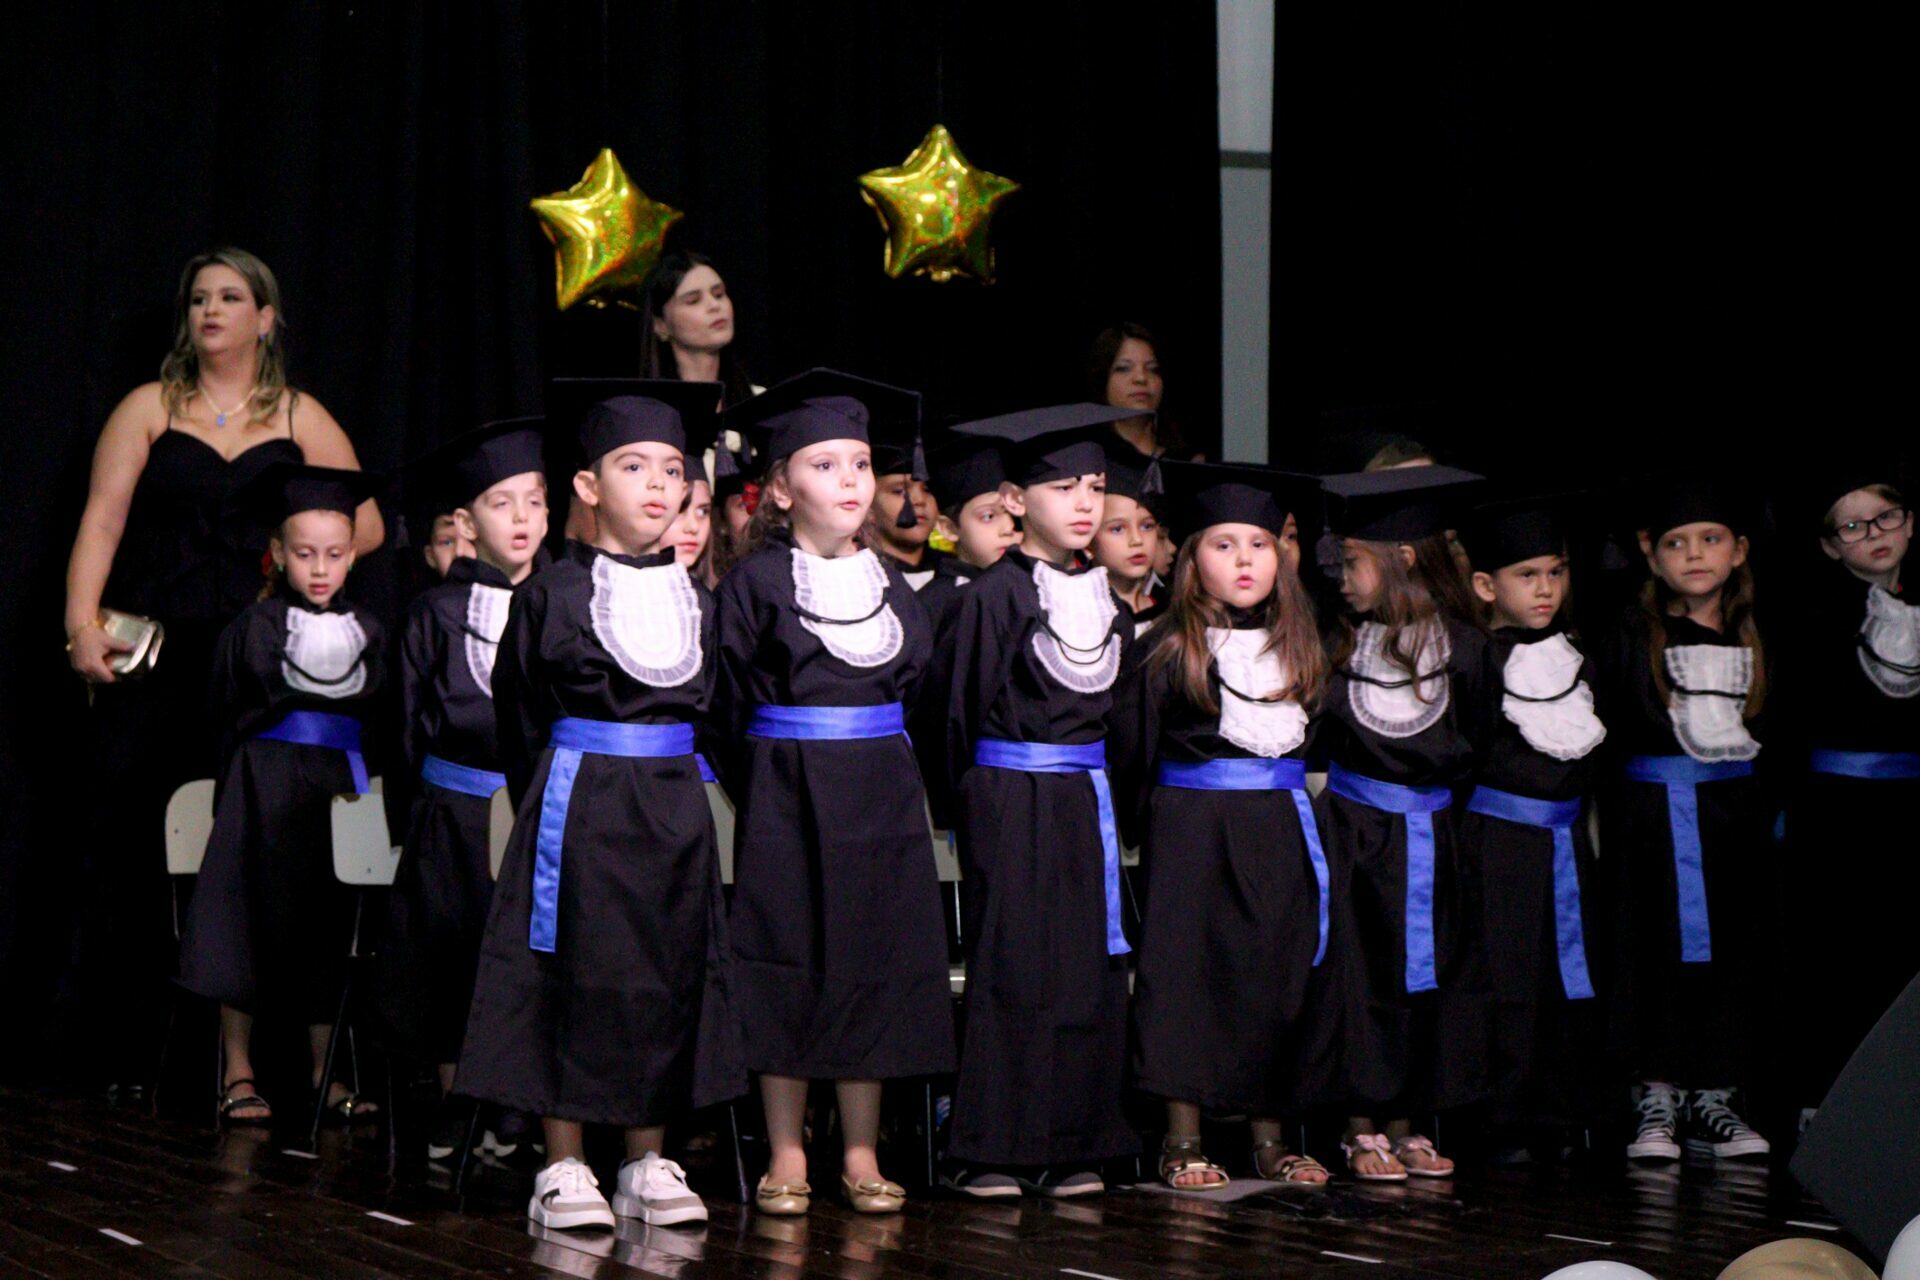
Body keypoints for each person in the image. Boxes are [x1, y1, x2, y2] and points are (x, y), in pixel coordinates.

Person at [62, 247, 380, 1096]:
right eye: (199, 298)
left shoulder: (299, 414)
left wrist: (293, 563)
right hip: (159, 657)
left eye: (230, 297)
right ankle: (133, 1054)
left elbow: (369, 524)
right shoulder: (149, 406)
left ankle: (258, 1065)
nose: (210, 310)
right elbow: (102, 520)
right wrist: (80, 626)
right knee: (136, 837)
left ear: (264, 319)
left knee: (254, 848)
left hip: (257, 666)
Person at [456, 381, 743, 1230]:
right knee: (572, 972)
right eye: (632, 466)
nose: (658, 484)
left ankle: (646, 1160)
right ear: (587, 485)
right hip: (579, 802)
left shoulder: (700, 600)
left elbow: (718, 712)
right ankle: (565, 1164)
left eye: (672, 468)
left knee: (661, 974)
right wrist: (552, 798)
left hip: (673, 808)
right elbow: (519, 712)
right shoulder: (551, 594)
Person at [712, 369, 955, 1216]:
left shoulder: (891, 585)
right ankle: (787, 1149)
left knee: (872, 961)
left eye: (860, 464)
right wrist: (773, 778)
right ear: (781, 489)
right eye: (826, 465)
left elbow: (919, 689)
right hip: (787, 797)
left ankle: (859, 1150)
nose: (851, 481)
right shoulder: (754, 584)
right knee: (788, 961)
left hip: (881, 797)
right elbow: (725, 702)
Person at [927, 402, 1142, 1198]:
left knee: (1086, 968)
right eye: (1061, 488)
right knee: (1014, 966)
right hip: (1009, 795)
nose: (1083, 503)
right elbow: (953, 713)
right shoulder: (992, 597)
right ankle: (995, 1146)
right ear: (1017, 502)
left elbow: (1123, 723)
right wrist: (975, 806)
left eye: (1093, 486)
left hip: (1083, 798)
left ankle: (1079, 1140)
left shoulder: (1111, 604)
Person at [1109, 461, 1332, 1188]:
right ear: (1191, 558)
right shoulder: (1164, 647)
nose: (1245, 561)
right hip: (1192, 829)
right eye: (1224, 544)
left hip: (1278, 827)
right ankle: (1183, 1138)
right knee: (1187, 976)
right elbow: (1133, 752)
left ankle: (1270, 1139)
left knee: (1273, 974)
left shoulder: (1300, 646)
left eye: (1260, 544)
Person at [176, 462, 386, 1127]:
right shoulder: (255, 626)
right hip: (262, 784)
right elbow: (219, 706)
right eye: (304, 554)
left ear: (352, 555)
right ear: (279, 553)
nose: (320, 568)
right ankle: (238, 1070)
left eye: (334, 554)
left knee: (329, 922)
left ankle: (326, 1070)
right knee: (243, 920)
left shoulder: (371, 630)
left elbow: (386, 718)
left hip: (339, 788)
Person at [1307, 465, 1495, 1182]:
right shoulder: (1340, 644)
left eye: (1354, 563)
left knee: (1428, 977)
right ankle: (1359, 1127)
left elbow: (1477, 742)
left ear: (1402, 560)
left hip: (1433, 838)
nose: (1343, 578)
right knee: (1359, 980)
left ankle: (1408, 1124)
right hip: (1354, 836)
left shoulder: (1466, 650)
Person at [1595, 479, 1774, 1164]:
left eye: (1710, 539)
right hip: (1650, 829)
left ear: (1739, 551)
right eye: (1676, 543)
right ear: (1651, 554)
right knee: (1654, 956)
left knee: (1733, 956)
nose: (1694, 554)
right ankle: (1657, 1097)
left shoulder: (1759, 634)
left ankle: (1716, 1099)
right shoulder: (1629, 636)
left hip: (1734, 825)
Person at [385, 419, 549, 1162]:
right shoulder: (435, 614)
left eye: (534, 501)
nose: (521, 519)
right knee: (452, 960)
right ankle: (458, 1100)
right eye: (501, 503)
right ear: (466, 522)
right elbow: (405, 725)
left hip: (537, 813)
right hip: (454, 814)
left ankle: (518, 1104)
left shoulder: (561, 603)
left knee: (525, 960)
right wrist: (417, 824)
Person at [1456, 496, 1609, 1160]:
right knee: (1506, 979)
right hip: (1498, 845)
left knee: (1563, 976)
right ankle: (1502, 1117)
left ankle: (1562, 1109)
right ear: (1487, 585)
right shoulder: (1477, 661)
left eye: (1556, 572)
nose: (1545, 588)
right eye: (1527, 575)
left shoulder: (1579, 659)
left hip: (1565, 843)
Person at [1784, 463, 1919, 1112]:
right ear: (1830, 545)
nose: (1875, 534)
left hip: (1909, 808)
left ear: (1910, 523)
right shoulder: (1815, 615)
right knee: (1840, 954)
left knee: (1904, 954)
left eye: (1886, 518)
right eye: (1854, 527)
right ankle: (1827, 1101)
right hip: (1838, 812)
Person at [917, 437, 1018, 642]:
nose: (1008, 527)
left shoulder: (1033, 588)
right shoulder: (932, 607)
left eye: (1014, 514)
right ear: (949, 528)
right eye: (988, 516)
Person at [1089, 444, 1169, 634]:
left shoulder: (1171, 610)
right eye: (1117, 529)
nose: (1137, 540)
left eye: (1147, 526)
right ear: (1089, 539)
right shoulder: (1078, 614)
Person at [1086, 322, 1195, 460]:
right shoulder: (1082, 461)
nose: (1141, 378)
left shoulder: (1189, 462)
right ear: (1102, 380)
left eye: (1152, 369)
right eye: (1124, 368)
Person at [868, 423, 945, 588]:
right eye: (900, 491)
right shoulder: (857, 580)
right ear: (868, 508)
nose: (919, 500)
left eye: (927, 489)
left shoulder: (960, 576)